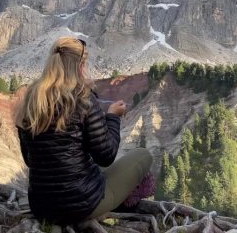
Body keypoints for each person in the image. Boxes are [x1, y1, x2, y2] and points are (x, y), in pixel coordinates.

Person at [16, 37, 153, 226]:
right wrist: (113, 116)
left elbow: (30, 160)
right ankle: (123, 205)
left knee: (96, 168)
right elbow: (106, 155)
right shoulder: (83, 99)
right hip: (81, 205)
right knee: (143, 155)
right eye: (84, 65)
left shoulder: (31, 99)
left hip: (41, 207)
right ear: (80, 66)